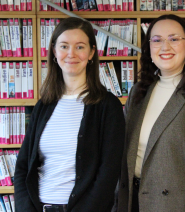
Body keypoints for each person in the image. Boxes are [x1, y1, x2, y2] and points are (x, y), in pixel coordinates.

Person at [117, 14, 185, 212]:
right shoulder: (139, 92)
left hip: (174, 206)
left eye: (174, 39)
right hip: (132, 202)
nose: (164, 47)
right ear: (148, 47)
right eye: (157, 40)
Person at [14, 17, 125, 212]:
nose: (71, 54)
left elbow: (108, 173)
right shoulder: (43, 105)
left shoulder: (108, 106)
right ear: (55, 52)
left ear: (91, 52)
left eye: (80, 47)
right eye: (64, 46)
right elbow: (24, 166)